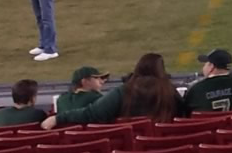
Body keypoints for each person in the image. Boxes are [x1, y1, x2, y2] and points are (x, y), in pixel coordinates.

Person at [45, 53, 185, 126]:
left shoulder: (124, 91)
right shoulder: (170, 92)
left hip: (129, 152)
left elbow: (92, 114)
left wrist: (58, 118)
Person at [184, 48, 232, 113]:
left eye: (205, 64)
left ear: (211, 66)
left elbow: (186, 114)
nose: (203, 68)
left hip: (208, 130)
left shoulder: (196, 89)